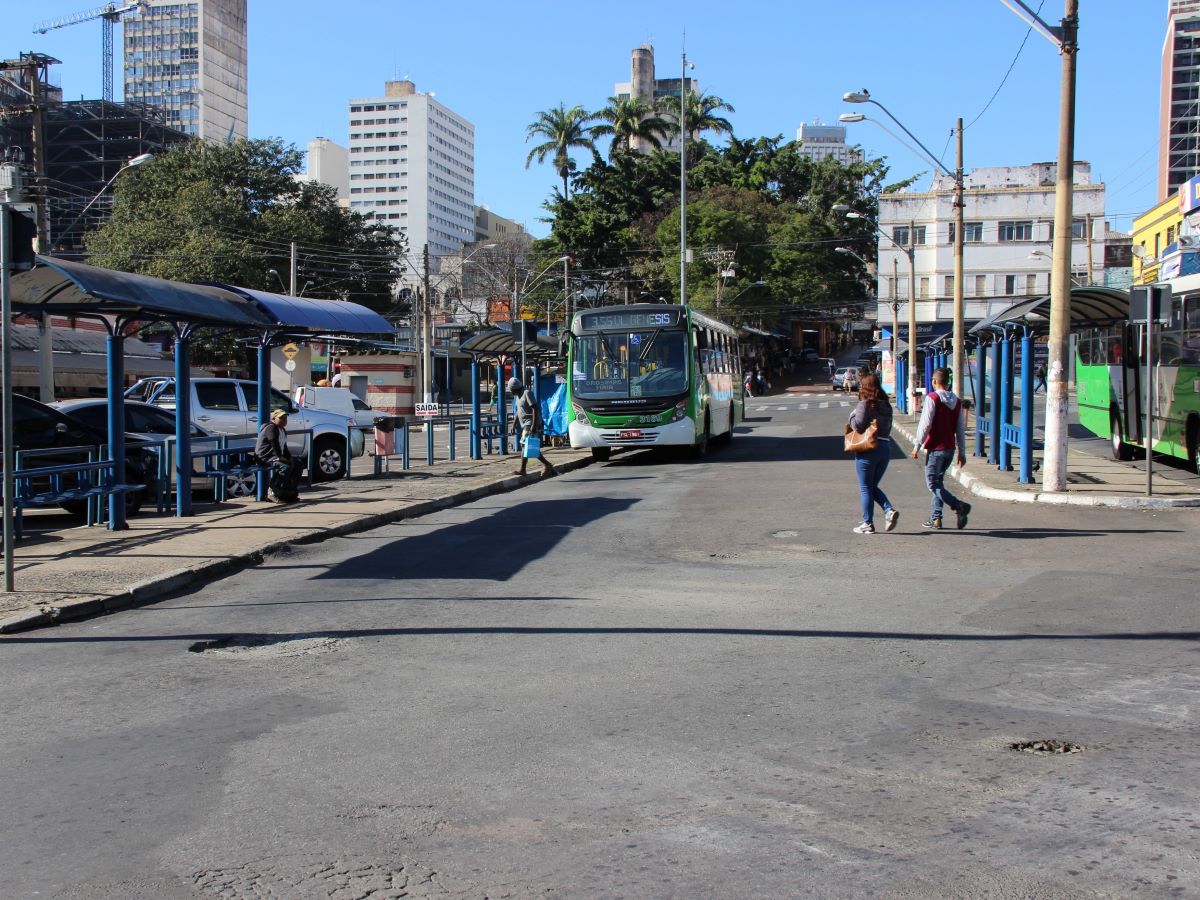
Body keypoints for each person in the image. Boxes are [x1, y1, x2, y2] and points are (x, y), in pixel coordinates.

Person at [911, 367, 972, 530]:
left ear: (935, 381)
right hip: (949, 449)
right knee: (938, 483)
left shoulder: (932, 398)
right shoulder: (957, 402)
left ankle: (958, 505)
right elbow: (960, 429)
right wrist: (962, 452)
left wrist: (917, 445)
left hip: (936, 448)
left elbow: (925, 424)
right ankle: (936, 517)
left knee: (932, 483)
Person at [848, 372, 899, 535]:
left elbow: (859, 426)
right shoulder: (886, 405)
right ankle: (888, 511)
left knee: (865, 488)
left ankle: (868, 523)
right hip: (885, 447)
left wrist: (852, 416)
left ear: (865, 387)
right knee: (871, 486)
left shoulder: (865, 404)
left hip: (869, 449)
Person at [508, 377, 557, 478]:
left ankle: (524, 469)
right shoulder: (518, 396)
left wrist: (534, 425)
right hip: (525, 424)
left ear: (515, 388)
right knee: (528, 446)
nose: (511, 392)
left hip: (530, 423)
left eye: (511, 390)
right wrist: (514, 424)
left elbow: (535, 408)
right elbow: (519, 411)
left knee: (526, 445)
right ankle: (546, 465)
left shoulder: (527, 393)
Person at [255, 408, 302, 503]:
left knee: (298, 464)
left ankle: (289, 492)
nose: (284, 420)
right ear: (273, 419)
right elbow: (274, 443)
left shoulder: (282, 430)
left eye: (285, 418)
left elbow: (284, 446)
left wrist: (289, 458)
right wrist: (280, 457)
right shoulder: (271, 428)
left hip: (275, 456)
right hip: (265, 457)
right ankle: (273, 492)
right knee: (285, 467)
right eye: (281, 418)